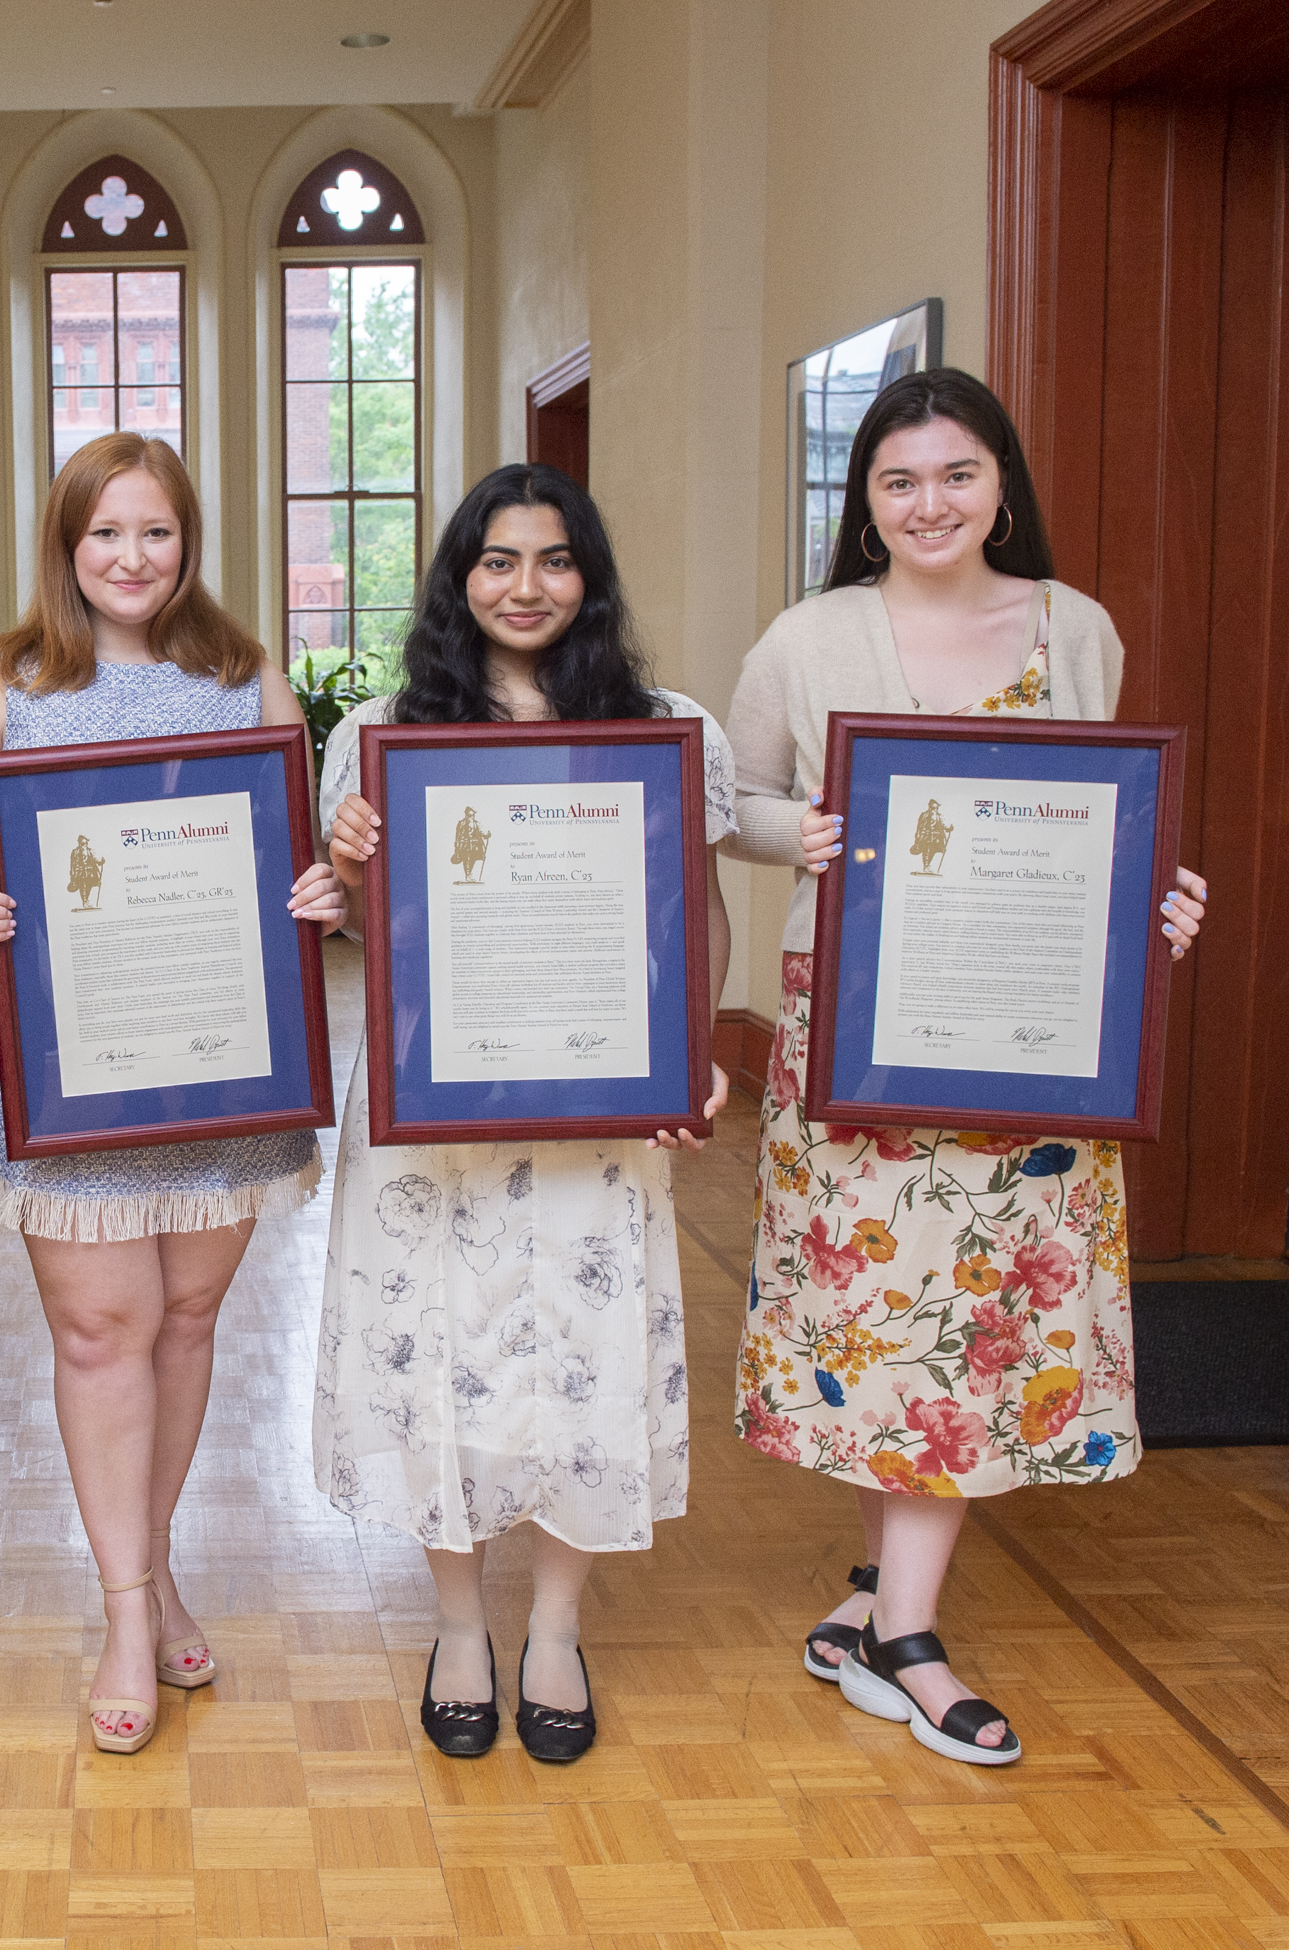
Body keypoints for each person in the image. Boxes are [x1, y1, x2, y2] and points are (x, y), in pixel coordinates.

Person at [722, 368, 1209, 1767]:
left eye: (956, 474)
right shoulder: (810, 639)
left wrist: (1156, 898)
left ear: (1002, 481)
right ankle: (898, 1624)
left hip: (1023, 1042)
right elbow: (733, 792)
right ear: (863, 499)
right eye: (898, 480)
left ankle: (892, 1615)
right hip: (862, 1030)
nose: (929, 503)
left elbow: (1094, 817)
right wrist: (793, 834)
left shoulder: (1076, 630)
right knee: (887, 1318)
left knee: (972, 1319)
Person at [312, 464, 734, 1763]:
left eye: (555, 560)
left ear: (589, 577)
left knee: (581, 1356)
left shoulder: (668, 727)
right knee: (436, 1348)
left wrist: (695, 1055)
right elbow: (357, 934)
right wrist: (346, 863)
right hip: (432, 1113)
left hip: (601, 1115)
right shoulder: (380, 734)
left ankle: (553, 1624)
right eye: (499, 560)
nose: (528, 585)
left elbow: (695, 916)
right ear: (460, 578)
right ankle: (456, 1623)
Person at [0, 432, 346, 1755]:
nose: (131, 558)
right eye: (105, 533)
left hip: (220, 1049)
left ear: (189, 542)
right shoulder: (0, 680)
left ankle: (157, 1559)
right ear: (66, 542)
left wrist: (316, 893)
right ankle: (123, 1608)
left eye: (157, 533)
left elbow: (293, 843)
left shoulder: (242, 675)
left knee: (187, 1317)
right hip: (60, 1059)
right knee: (104, 1327)